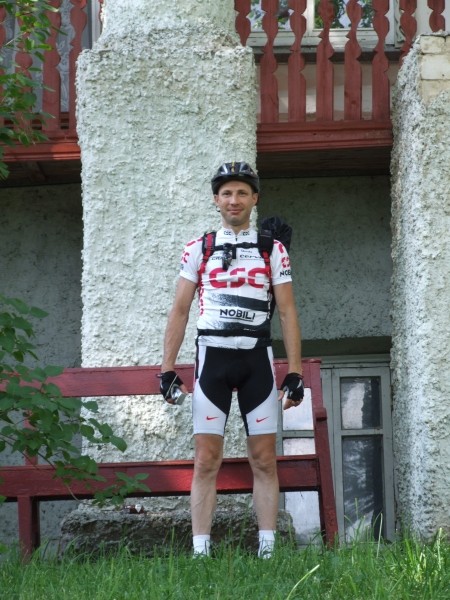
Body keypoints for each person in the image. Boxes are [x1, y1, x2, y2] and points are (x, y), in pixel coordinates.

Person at [160, 161, 304, 558]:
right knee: (206, 459)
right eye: (226, 193)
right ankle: (200, 553)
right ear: (216, 200)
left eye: (242, 192)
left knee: (264, 459)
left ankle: (268, 551)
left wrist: (295, 371)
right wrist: (167, 368)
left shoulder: (272, 249)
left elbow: (288, 311)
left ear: (255, 199)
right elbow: (180, 309)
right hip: (213, 357)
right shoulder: (199, 248)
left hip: (257, 357)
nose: (234, 200)